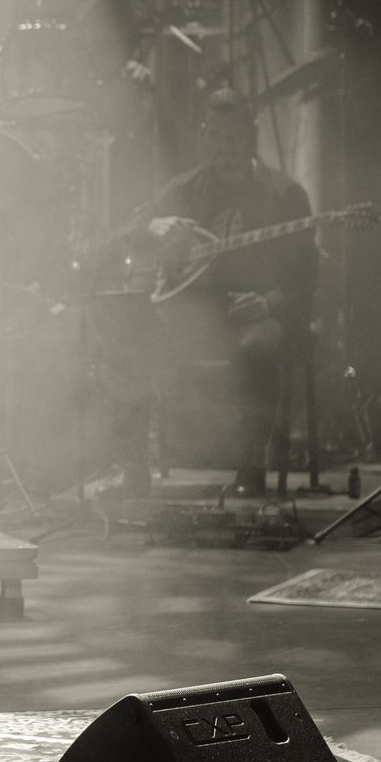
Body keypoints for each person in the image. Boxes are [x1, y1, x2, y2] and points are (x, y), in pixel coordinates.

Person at [119, 88, 315, 498]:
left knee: (259, 348)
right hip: (190, 318)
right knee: (129, 341)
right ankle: (134, 470)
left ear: (252, 135)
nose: (223, 145)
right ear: (204, 136)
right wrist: (152, 227)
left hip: (254, 316)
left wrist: (269, 302)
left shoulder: (284, 195)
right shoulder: (185, 189)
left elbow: (306, 275)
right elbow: (131, 230)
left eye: (233, 135)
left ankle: (251, 468)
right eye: (214, 135)